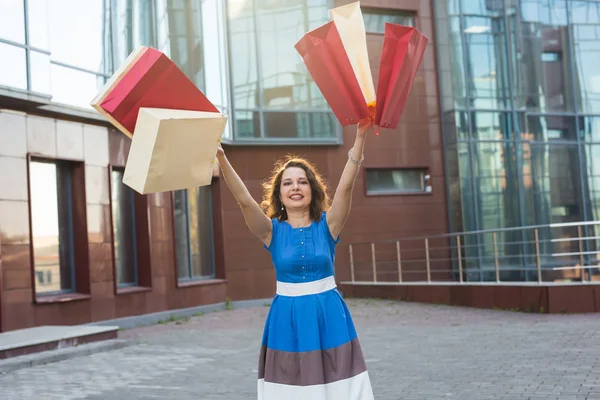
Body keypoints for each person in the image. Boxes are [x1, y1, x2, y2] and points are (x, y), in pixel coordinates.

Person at [216, 118, 375, 400]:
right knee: (291, 388)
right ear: (279, 194)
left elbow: (346, 189)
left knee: (338, 385)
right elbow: (243, 200)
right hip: (286, 317)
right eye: (287, 183)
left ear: (312, 189)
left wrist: (359, 138)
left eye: (302, 181)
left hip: (329, 313)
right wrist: (222, 159)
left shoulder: (329, 226)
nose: (295, 187)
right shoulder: (270, 231)